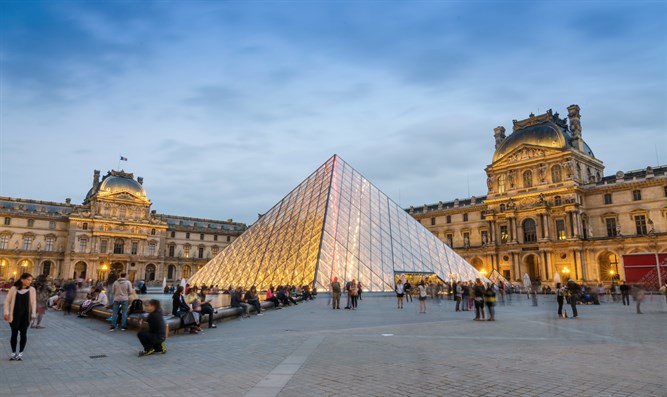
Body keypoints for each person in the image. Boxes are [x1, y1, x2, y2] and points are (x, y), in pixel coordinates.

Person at [4, 273, 36, 361]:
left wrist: (33, 313)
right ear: (22, 279)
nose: (30, 282)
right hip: (14, 316)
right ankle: (13, 353)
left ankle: (20, 353)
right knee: (13, 334)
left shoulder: (32, 290)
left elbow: (33, 302)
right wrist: (6, 312)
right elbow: (7, 301)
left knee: (23, 334)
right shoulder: (13, 289)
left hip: (26, 316)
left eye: (31, 280)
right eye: (28, 280)